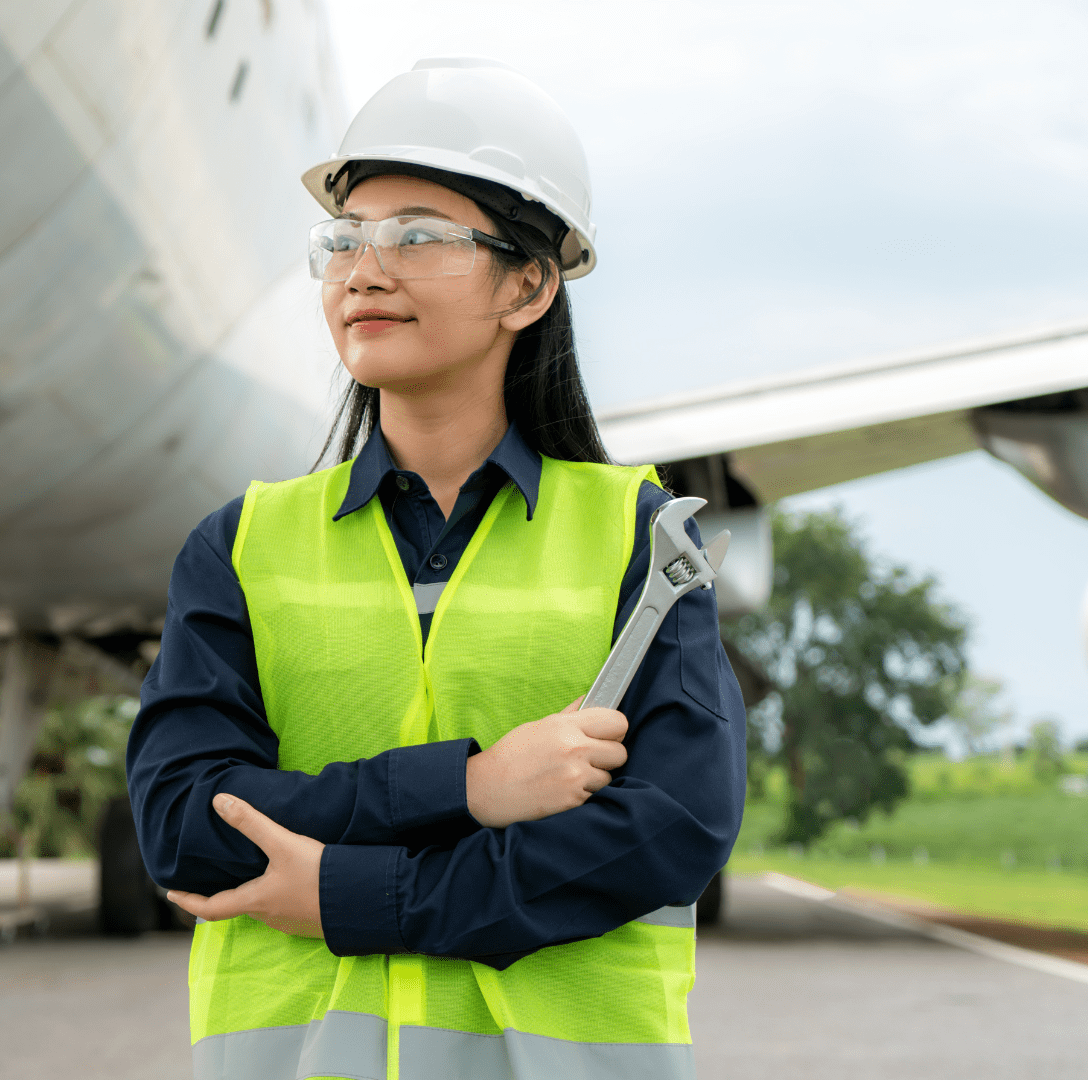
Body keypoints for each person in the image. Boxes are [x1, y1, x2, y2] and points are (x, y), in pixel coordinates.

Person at [126, 57, 748, 1080]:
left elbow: (666, 832)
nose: (364, 270)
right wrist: (472, 786)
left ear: (529, 282)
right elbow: (184, 825)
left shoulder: (636, 539)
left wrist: (351, 895)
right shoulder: (240, 547)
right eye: (344, 240)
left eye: (416, 234)